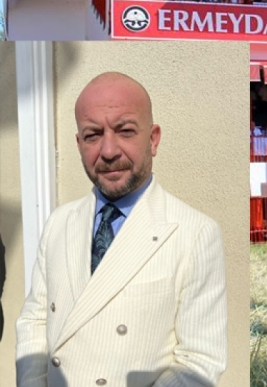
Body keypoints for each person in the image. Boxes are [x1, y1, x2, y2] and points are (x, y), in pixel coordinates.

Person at [15, 72, 227, 385]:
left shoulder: (195, 233)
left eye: (125, 131)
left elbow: (199, 361)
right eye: (92, 135)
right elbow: (35, 321)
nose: (109, 151)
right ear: (79, 143)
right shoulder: (59, 223)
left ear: (153, 139)